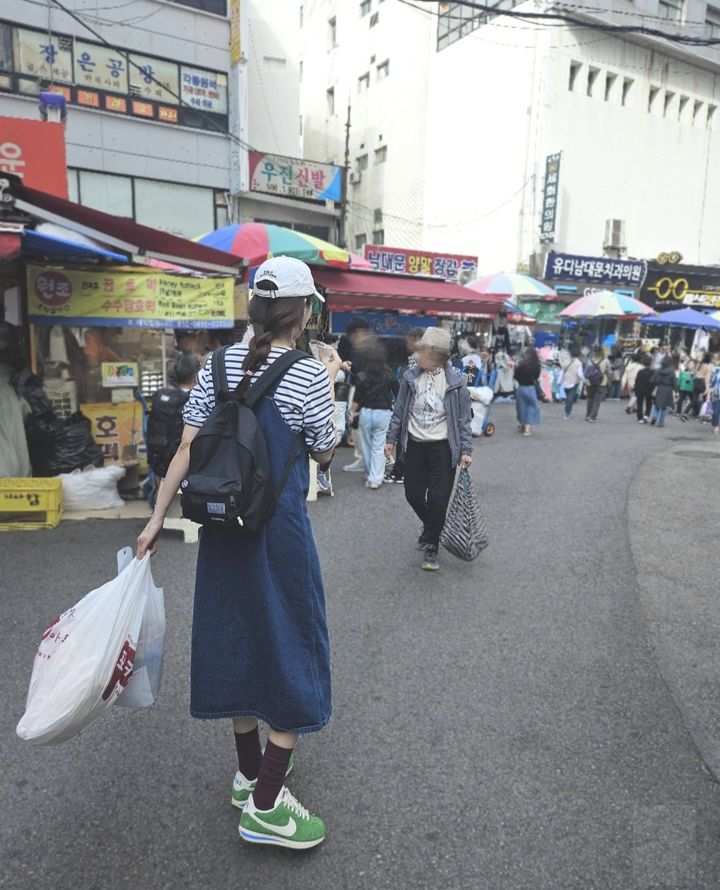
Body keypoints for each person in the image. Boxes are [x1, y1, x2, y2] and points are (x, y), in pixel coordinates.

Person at [136, 256, 341, 851]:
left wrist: (154, 521)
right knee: (294, 643)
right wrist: (328, 386)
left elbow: (185, 448)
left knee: (236, 636)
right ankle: (268, 804)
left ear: (255, 307)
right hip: (277, 532)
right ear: (303, 311)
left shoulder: (216, 364)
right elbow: (325, 454)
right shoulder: (308, 374)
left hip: (221, 530)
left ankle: (249, 771)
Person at [384, 327, 473, 572]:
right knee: (412, 494)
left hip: (443, 448)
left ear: (435, 353)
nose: (418, 352)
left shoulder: (456, 382)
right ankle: (433, 526)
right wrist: (391, 439)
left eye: (423, 349)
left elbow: (464, 419)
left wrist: (466, 450)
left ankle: (432, 545)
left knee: (437, 499)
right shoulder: (410, 377)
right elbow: (400, 410)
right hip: (414, 446)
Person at [146, 352, 201, 502]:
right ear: (197, 374)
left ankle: (156, 509)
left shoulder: (160, 395)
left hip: (158, 456)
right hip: (181, 459)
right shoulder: (194, 398)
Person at [349, 346, 399, 489]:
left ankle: (369, 474)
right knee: (378, 447)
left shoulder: (362, 376)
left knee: (366, 446)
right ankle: (375, 479)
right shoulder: (390, 376)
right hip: (384, 414)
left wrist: (352, 414)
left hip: (365, 413)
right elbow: (398, 394)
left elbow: (357, 399)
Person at [342, 317, 376, 473]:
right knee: (360, 427)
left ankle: (364, 460)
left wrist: (348, 368)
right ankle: (365, 459)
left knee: (359, 425)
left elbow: (364, 376)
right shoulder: (366, 348)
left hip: (363, 391)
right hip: (366, 390)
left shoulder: (365, 350)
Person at [513, 346, 542, 436]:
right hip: (531, 388)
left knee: (521, 407)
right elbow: (536, 377)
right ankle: (527, 429)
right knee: (532, 407)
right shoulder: (537, 365)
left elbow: (515, 376)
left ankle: (522, 425)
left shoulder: (521, 365)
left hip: (521, 388)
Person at [649, 354, 677, 428]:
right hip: (668, 389)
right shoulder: (672, 371)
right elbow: (674, 382)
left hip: (659, 388)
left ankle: (654, 416)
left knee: (657, 404)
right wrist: (676, 391)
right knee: (664, 407)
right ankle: (661, 422)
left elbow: (652, 380)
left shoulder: (658, 370)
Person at [585, 349, 609, 423]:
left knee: (590, 399)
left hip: (590, 383)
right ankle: (592, 417)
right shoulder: (606, 361)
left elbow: (585, 373)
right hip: (601, 383)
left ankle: (588, 415)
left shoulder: (589, 361)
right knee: (597, 401)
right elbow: (609, 371)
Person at [560, 345, 583, 419]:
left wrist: (559, 381)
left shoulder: (566, 361)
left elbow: (562, 371)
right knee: (570, 399)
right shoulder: (579, 363)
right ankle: (567, 413)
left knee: (568, 398)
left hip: (565, 382)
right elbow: (580, 374)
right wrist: (584, 379)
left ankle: (568, 411)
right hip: (574, 382)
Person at [710, 356, 720, 435]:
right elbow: (712, 381)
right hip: (716, 393)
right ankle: (715, 425)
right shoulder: (716, 370)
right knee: (716, 411)